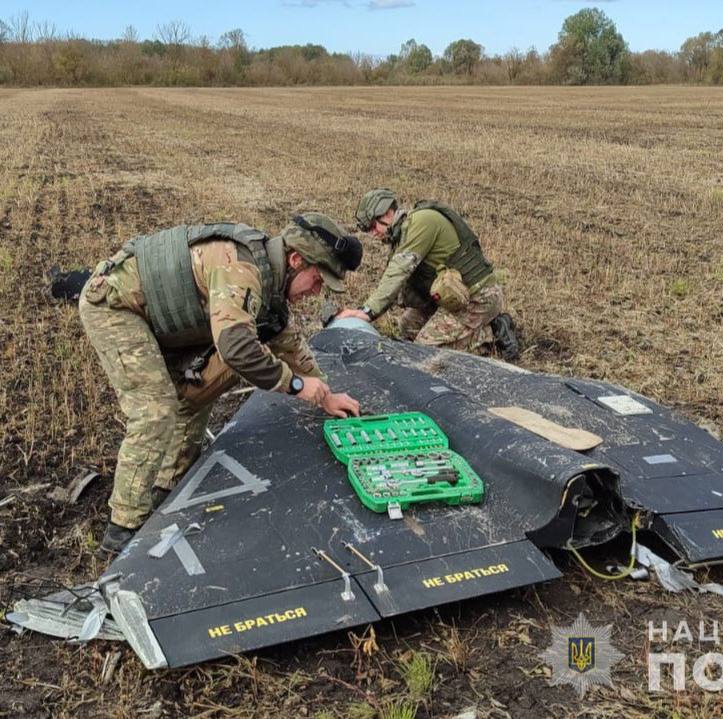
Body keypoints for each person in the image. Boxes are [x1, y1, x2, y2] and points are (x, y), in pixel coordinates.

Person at [79, 214, 362, 553]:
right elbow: (237, 347)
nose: (316, 292)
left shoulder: (270, 284)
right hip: (117, 307)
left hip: (167, 322)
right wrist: (297, 387)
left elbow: (287, 344)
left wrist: (324, 393)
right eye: (317, 280)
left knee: (198, 390)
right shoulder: (241, 269)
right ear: (296, 260)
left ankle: (167, 486)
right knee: (156, 408)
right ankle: (123, 528)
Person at [340, 189, 519, 359]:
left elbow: (397, 272)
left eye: (373, 226)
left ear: (386, 213)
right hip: (449, 298)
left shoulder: (421, 222)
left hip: (477, 296)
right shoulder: (402, 235)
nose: (373, 234)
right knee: (406, 330)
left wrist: (367, 312)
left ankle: (492, 335)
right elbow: (396, 285)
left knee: (425, 353)